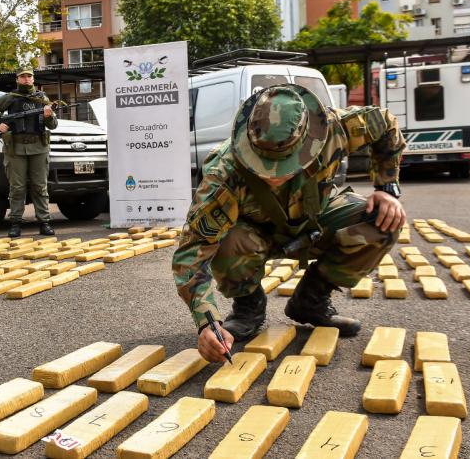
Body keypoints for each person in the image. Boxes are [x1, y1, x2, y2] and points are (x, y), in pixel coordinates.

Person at [172, 84, 407, 363]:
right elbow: (192, 253)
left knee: (384, 221)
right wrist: (207, 322)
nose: (272, 176)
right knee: (229, 240)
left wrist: (386, 186)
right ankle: (248, 307)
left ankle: (311, 301)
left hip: (315, 219)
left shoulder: (335, 129)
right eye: (262, 162)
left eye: (283, 163)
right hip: (256, 235)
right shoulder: (224, 172)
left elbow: (386, 124)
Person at [0, 65, 58, 238]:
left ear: (33, 79)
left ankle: (44, 222)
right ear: (17, 79)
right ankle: (15, 222)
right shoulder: (10, 98)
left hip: (39, 147)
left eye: (29, 77)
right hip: (15, 148)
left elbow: (53, 125)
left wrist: (48, 116)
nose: (26, 80)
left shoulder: (42, 98)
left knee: (40, 186)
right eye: (23, 77)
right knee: (17, 188)